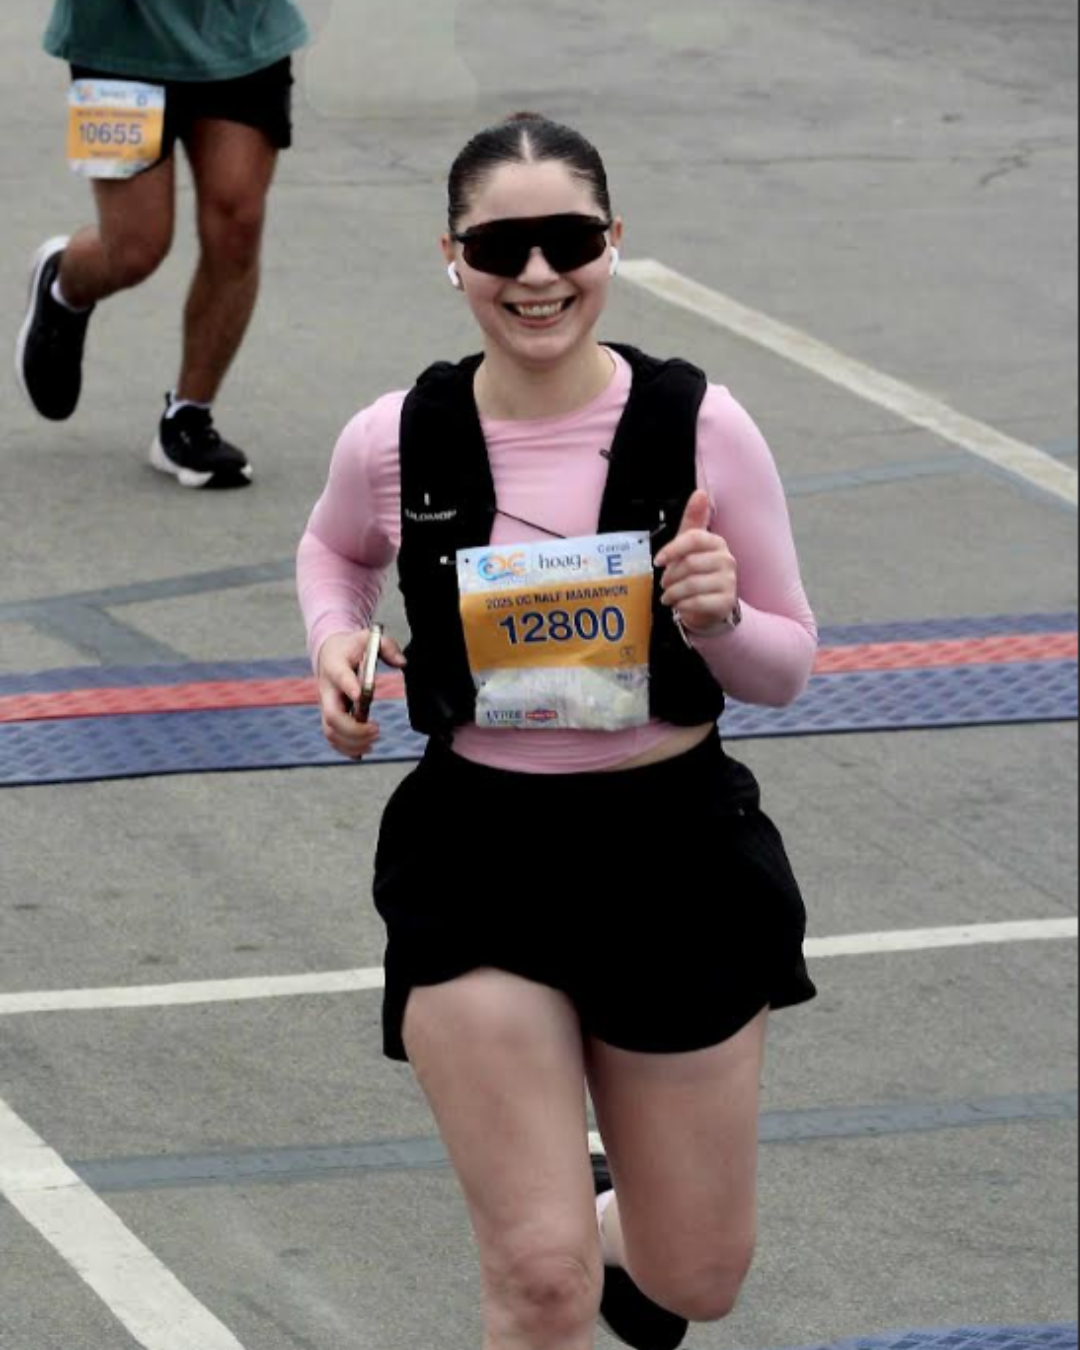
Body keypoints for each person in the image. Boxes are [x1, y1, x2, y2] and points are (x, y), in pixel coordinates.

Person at [297, 113, 820, 1350]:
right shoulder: (395, 437)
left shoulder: (703, 426)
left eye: (568, 239)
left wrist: (720, 616)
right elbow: (333, 549)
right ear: (454, 256)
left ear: (613, 243)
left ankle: (600, 1210)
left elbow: (787, 666)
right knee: (537, 1283)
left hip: (675, 853)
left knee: (696, 1276)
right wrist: (336, 644)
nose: (537, 275)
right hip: (479, 852)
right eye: (502, 246)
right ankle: (556, 1240)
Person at [16, 0, 310, 490]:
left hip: (243, 34)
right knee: (134, 249)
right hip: (117, 45)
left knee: (238, 224)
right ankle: (64, 284)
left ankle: (188, 418)